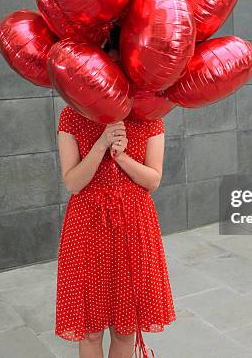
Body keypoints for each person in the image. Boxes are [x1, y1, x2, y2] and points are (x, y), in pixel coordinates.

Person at [55, 102, 176, 358]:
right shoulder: (73, 114)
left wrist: (121, 156)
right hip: (87, 225)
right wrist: (101, 144)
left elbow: (153, 180)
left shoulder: (149, 114)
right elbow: (73, 182)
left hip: (133, 225)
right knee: (91, 330)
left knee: (124, 328)